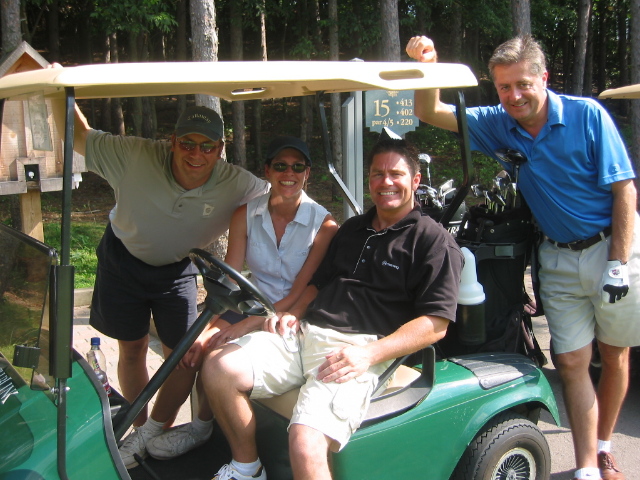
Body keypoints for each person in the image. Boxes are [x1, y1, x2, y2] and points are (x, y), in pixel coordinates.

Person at [406, 34, 640, 480]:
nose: (514, 96)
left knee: (614, 354)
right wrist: (429, 66)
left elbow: (624, 189)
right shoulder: (498, 122)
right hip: (556, 254)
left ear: (543, 78)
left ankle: (605, 447)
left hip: (613, 248)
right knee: (571, 361)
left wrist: (617, 262)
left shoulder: (587, 116)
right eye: (504, 87)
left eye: (522, 85)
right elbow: (429, 111)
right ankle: (587, 467)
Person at [200, 138, 464, 480]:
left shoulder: (433, 242)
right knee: (218, 367)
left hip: (356, 351)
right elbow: (318, 283)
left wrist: (368, 355)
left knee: (305, 442)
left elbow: (436, 323)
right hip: (304, 334)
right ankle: (247, 469)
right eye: (377, 174)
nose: (385, 182)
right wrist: (294, 313)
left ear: (415, 180)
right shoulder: (353, 229)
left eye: (396, 174)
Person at [59, 98, 270, 468]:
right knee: (132, 348)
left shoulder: (238, 183)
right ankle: (140, 430)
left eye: (207, 146)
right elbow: (79, 136)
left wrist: (331, 231)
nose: (196, 154)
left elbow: (284, 194)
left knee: (185, 356)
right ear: (172, 141)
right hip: (123, 258)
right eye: (187, 143)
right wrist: (53, 82)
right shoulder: (134, 155)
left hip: (177, 267)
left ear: (219, 149)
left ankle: (158, 430)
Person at [140, 136, 339, 461]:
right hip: (249, 303)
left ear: (307, 174)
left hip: (290, 315)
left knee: (218, 351)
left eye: (297, 167)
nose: (288, 173)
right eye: (280, 166)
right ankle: (150, 430)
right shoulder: (246, 214)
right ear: (267, 171)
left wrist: (246, 325)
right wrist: (205, 329)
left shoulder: (325, 225)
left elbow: (299, 293)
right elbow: (231, 277)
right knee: (190, 348)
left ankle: (202, 427)